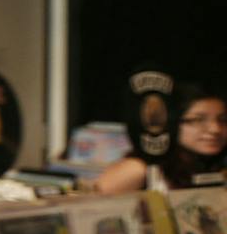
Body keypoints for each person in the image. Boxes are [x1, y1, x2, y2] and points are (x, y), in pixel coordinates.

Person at [96, 81, 227, 193]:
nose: (215, 129)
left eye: (223, 120)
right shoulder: (140, 168)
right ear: (169, 123)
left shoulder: (216, 168)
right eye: (197, 120)